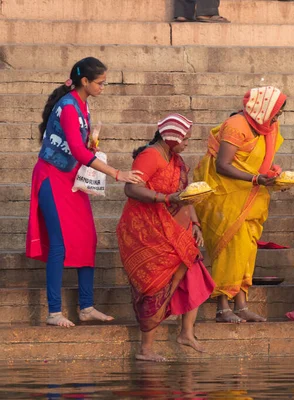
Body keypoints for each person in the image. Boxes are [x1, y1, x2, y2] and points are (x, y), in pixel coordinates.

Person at [25, 57, 144, 328]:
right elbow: (77, 151)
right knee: (58, 244)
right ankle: (54, 312)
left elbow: (81, 147)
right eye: (100, 83)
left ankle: (86, 307)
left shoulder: (83, 105)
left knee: (87, 238)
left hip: (72, 180)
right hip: (52, 179)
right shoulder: (68, 107)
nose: (104, 87)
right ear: (85, 82)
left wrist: (93, 143)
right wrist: (117, 173)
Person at [117, 114, 216, 362]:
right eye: (184, 140)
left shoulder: (176, 160)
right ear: (171, 138)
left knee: (193, 270)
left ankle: (186, 333)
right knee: (156, 285)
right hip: (145, 231)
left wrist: (195, 224)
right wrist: (164, 198)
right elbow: (131, 188)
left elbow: (186, 195)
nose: (186, 144)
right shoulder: (150, 155)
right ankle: (145, 349)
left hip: (173, 227)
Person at [193, 86, 287, 323]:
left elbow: (262, 162)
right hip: (225, 196)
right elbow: (222, 165)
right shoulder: (236, 125)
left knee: (246, 251)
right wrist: (256, 178)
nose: (276, 118)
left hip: (251, 196)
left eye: (278, 113)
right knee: (229, 251)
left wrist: (273, 176)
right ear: (261, 109)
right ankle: (223, 307)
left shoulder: (268, 127)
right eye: (275, 112)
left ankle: (241, 305)